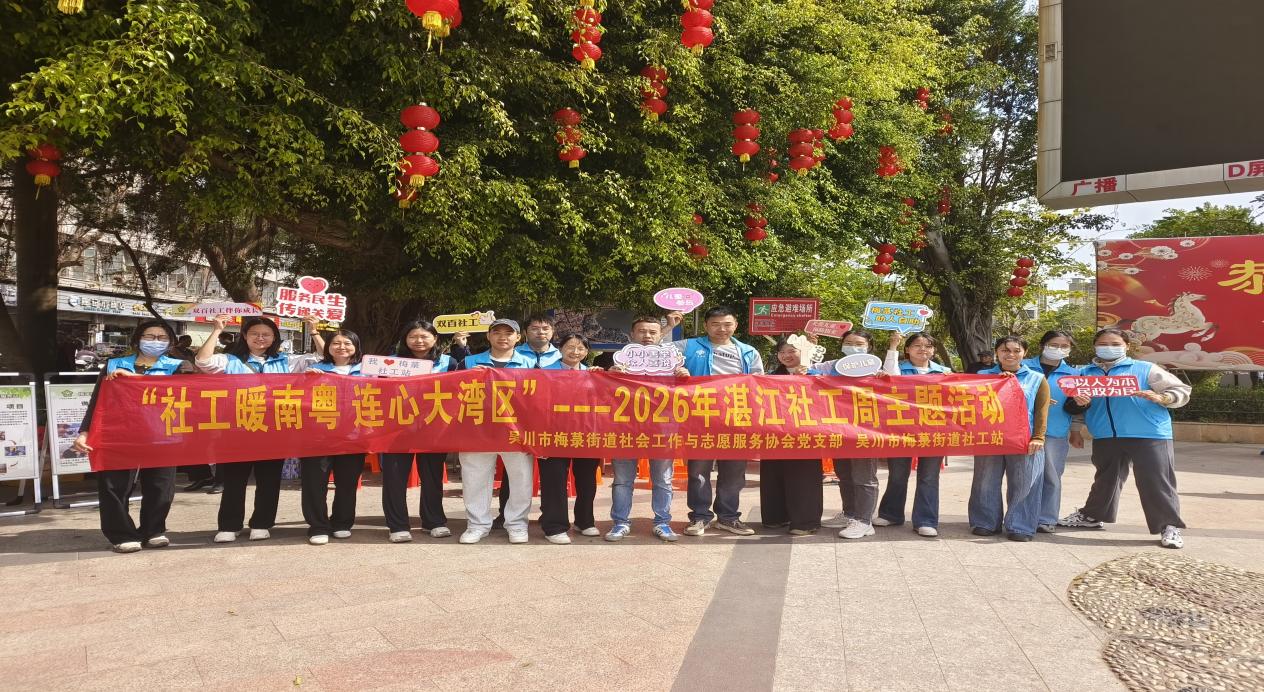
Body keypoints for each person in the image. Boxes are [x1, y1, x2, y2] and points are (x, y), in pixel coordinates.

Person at [195, 314, 324, 543]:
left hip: (274, 431)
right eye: (254, 333)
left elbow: (323, 357)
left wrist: (314, 330)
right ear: (245, 336)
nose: (260, 338)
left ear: (275, 338)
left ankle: (262, 523)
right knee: (234, 480)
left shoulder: (286, 361)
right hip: (237, 430)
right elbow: (203, 361)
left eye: (266, 334)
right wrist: (216, 330)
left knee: (269, 481)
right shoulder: (230, 361)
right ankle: (229, 525)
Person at [1058, 328, 1191, 549]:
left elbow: (1181, 389)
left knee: (1155, 480)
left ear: (1127, 346)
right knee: (1105, 479)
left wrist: (1163, 397)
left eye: (1115, 344)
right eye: (1103, 344)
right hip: (1105, 434)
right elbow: (1078, 405)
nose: (1108, 348)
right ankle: (1092, 515)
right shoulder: (1084, 373)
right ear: (1095, 346)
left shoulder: (1145, 369)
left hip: (1148, 433)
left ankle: (1169, 525)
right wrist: (1075, 430)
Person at [71, 319, 190, 553]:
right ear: (137, 339)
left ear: (170, 343)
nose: (155, 341)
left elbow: (186, 394)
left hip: (162, 434)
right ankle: (121, 534)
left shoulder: (180, 366)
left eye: (162, 338)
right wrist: (85, 432)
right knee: (114, 486)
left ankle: (153, 530)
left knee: (161, 487)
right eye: (149, 336)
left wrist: (134, 379)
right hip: (118, 434)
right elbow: (98, 402)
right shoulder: (114, 364)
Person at [667, 306, 764, 537]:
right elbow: (653, 353)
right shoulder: (688, 346)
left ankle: (728, 518)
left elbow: (760, 383)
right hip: (700, 418)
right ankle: (700, 517)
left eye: (727, 324)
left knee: (734, 473)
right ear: (706, 326)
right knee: (698, 472)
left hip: (737, 419)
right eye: (715, 324)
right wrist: (668, 327)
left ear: (735, 325)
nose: (722, 329)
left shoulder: (748, 352)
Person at [605, 316, 685, 543]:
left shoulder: (673, 363)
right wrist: (609, 375)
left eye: (652, 332)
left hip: (663, 429)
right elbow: (604, 391)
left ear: (660, 335)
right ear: (632, 334)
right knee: (622, 480)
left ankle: (662, 522)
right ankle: (620, 522)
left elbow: (686, 394)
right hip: (625, 429)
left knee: (663, 479)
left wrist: (683, 377)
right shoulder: (621, 361)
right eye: (641, 331)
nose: (647, 336)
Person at [379, 320, 459, 543]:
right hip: (396, 428)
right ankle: (397, 525)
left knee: (432, 476)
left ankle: (434, 521)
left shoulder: (449, 362)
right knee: (395, 477)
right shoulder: (389, 363)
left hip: (433, 428)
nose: (419, 341)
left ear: (435, 338)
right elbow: (374, 390)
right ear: (405, 339)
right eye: (413, 336)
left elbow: (460, 389)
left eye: (424, 336)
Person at [458, 318, 536, 544]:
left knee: (521, 479)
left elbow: (539, 398)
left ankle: (517, 524)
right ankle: (477, 525)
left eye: (508, 333)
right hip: (477, 430)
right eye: (497, 332)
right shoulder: (469, 362)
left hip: (516, 431)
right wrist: (467, 378)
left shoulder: (530, 363)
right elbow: (450, 393)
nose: (503, 337)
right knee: (474, 479)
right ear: (488, 336)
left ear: (518, 337)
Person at [815, 329, 899, 539]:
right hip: (838, 428)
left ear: (869, 347)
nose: (853, 347)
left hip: (866, 430)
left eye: (859, 344)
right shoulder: (830, 366)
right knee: (844, 473)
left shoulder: (876, 368)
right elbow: (807, 372)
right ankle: (850, 513)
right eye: (849, 342)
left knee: (864, 476)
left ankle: (864, 521)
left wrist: (885, 376)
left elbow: (896, 384)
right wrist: (810, 348)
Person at [968, 336, 1051, 542]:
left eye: (1016, 350)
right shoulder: (982, 376)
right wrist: (997, 381)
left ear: (1025, 353)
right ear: (996, 352)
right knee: (985, 481)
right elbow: (970, 402)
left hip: (1024, 439)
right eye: (1005, 350)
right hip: (989, 437)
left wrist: (1038, 437)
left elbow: (1041, 410)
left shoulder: (1036, 378)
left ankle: (1020, 525)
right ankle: (985, 522)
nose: (1010, 355)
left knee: (1025, 483)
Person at [874, 331, 951, 537]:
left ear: (934, 351)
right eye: (917, 345)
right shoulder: (898, 368)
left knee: (929, 477)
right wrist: (893, 346)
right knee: (898, 474)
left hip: (934, 431)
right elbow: (891, 377)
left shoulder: (945, 372)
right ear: (907, 349)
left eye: (928, 346)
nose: (923, 349)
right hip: (902, 430)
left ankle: (926, 520)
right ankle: (891, 514)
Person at [300, 329, 366, 546]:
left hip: (353, 437)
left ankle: (342, 523)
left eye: (347, 343)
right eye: (336, 343)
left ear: (356, 346)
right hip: (317, 437)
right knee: (315, 482)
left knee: (347, 482)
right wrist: (306, 381)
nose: (342, 347)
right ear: (327, 347)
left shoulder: (368, 371)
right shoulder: (314, 369)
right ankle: (318, 526)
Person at [537, 333, 601, 544]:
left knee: (587, 480)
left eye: (581, 348)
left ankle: (585, 521)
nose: (575, 352)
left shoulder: (593, 374)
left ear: (587, 351)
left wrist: (601, 377)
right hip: (553, 434)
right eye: (570, 347)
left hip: (586, 433)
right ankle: (554, 526)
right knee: (554, 480)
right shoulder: (544, 372)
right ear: (560, 348)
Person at [759, 338, 824, 535]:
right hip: (775, 432)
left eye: (792, 351)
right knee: (773, 474)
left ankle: (805, 522)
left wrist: (806, 377)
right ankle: (775, 517)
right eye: (782, 352)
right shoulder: (771, 376)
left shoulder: (818, 373)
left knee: (803, 475)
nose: (786, 355)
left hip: (806, 432)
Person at [1026, 330, 1084, 533]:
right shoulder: (1023, 367)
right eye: (1054, 345)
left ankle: (1046, 518)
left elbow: (1075, 408)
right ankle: (1024, 517)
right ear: (1042, 345)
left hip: (1055, 431)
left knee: (1051, 476)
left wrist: (1076, 429)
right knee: (1025, 477)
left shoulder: (1075, 375)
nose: (1059, 349)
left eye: (1064, 346)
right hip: (1023, 430)